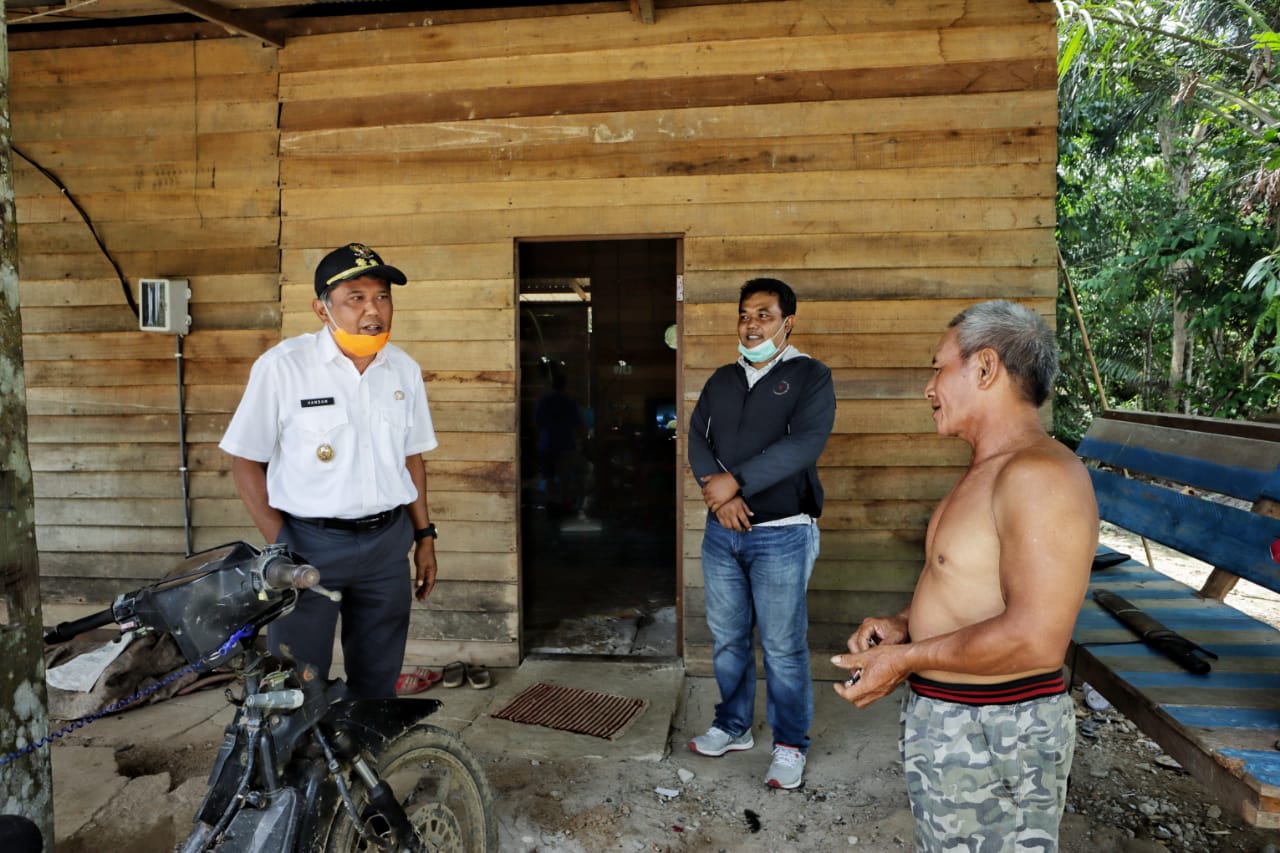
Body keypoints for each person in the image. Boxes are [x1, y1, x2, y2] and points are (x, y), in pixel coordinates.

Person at [831, 300, 1098, 851]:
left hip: (999, 731)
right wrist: (905, 625)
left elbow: (1036, 640)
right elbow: (974, 585)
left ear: (984, 368)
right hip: (957, 721)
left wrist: (903, 661)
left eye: (938, 368)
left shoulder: (1040, 475)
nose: (929, 388)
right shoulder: (990, 469)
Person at [219, 242, 440, 699]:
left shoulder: (403, 370)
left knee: (378, 683)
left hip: (386, 547)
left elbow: (411, 458)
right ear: (322, 309)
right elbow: (245, 461)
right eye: (355, 298)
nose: (373, 310)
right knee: (294, 684)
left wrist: (424, 538)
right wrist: (283, 545)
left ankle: (364, 765)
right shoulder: (283, 367)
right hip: (309, 546)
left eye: (381, 296)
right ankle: (295, 769)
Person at [686, 277, 836, 790]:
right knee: (728, 639)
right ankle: (732, 726)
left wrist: (737, 482)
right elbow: (696, 440)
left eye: (764, 315)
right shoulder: (721, 380)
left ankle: (790, 744)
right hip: (722, 534)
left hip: (782, 534)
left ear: (787, 321)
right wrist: (720, 495)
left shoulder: (809, 376)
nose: (752, 325)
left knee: (783, 646)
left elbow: (805, 445)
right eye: (745, 315)